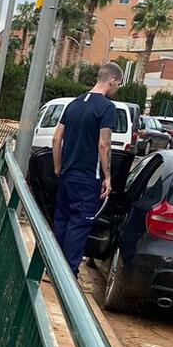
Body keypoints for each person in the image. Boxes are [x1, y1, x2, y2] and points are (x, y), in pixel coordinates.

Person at [51, 62, 123, 275]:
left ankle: (52, 268)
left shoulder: (74, 104)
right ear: (112, 80)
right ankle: (68, 274)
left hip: (67, 174)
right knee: (80, 223)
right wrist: (108, 176)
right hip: (87, 177)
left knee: (62, 220)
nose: (117, 87)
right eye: (118, 84)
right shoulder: (108, 107)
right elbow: (104, 144)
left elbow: (56, 139)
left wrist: (57, 167)